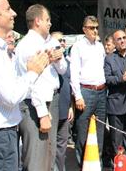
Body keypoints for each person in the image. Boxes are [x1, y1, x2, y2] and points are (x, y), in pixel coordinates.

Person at [0, 0, 48, 171]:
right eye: (8, 9)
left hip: (3, 135)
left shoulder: (0, 50)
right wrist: (32, 72)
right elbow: (11, 95)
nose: (14, 13)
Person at [15, 4, 68, 171]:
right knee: (36, 159)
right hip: (35, 105)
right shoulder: (28, 45)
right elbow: (33, 82)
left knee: (48, 157)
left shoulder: (51, 41)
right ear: (37, 21)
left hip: (52, 99)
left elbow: (64, 69)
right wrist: (43, 114)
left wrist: (59, 59)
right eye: (47, 20)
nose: (50, 23)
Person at [70, 15, 107, 166]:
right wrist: (78, 96)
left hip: (101, 92)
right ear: (84, 29)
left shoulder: (100, 46)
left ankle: (96, 164)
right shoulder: (78, 46)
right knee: (83, 131)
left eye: (97, 27)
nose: (95, 30)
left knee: (99, 131)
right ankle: (82, 165)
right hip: (86, 92)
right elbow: (74, 73)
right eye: (92, 28)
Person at [104, 30, 126, 170]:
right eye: (119, 39)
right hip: (115, 104)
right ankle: (117, 165)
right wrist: (121, 79)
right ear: (115, 42)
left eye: (124, 38)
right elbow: (107, 79)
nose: (122, 40)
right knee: (116, 139)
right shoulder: (109, 58)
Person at [51, 31, 73, 171]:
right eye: (59, 40)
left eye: (63, 40)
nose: (62, 43)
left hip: (65, 108)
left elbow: (70, 85)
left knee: (62, 145)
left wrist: (70, 106)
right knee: (51, 145)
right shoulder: (48, 63)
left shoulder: (67, 62)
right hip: (52, 109)